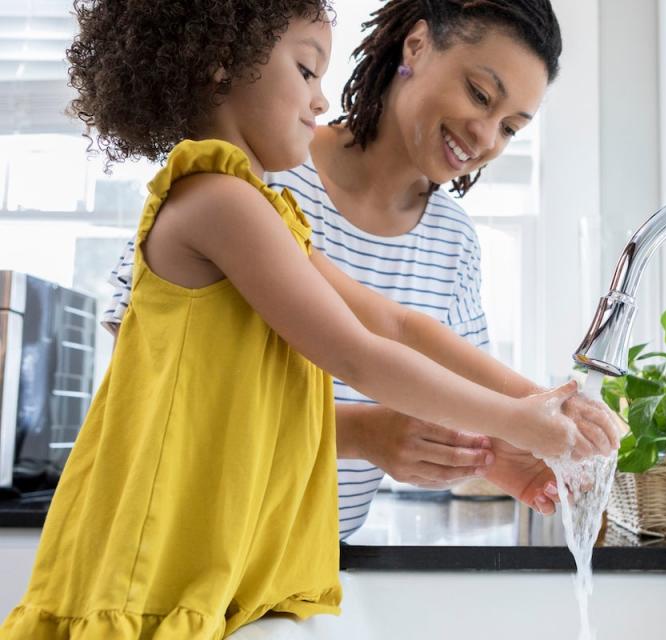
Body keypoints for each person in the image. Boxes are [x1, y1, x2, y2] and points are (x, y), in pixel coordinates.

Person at [1, 1, 619, 637]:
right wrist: (519, 420)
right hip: (159, 559)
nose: (320, 100)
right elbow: (356, 354)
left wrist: (542, 408)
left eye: (512, 126)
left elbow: (402, 326)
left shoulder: (264, 210)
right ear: (221, 65)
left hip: (239, 559)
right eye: (305, 70)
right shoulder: (223, 201)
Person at [103, 0, 574, 538]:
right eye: (480, 94)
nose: (487, 136)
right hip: (189, 540)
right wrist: (362, 433)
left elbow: (403, 332)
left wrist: (526, 427)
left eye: (511, 127)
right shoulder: (259, 170)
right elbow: (149, 377)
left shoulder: (453, 241)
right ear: (416, 46)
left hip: (303, 563)